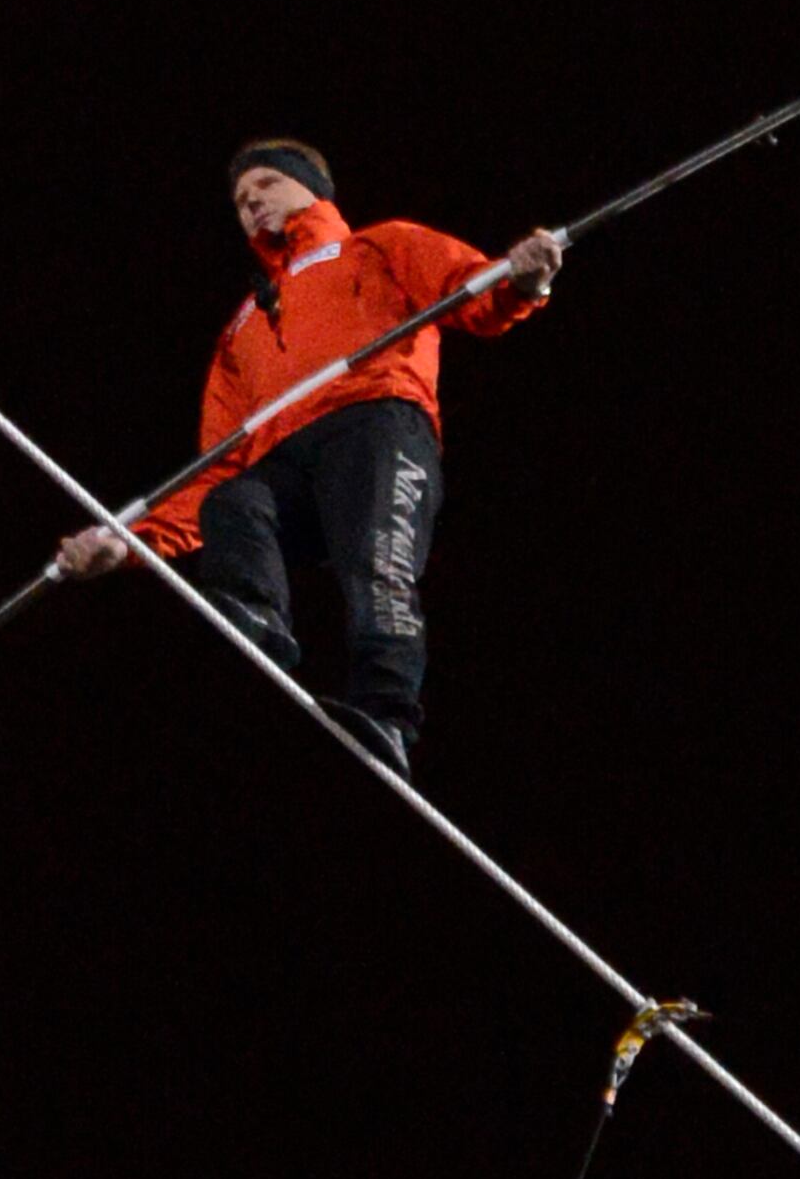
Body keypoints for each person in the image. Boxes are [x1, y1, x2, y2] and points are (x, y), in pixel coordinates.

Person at [57, 139, 567, 774]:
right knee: (232, 501)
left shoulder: (377, 246)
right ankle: (255, 612)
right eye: (241, 201)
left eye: (266, 186)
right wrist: (128, 543)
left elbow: (471, 291)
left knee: (376, 566)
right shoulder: (242, 325)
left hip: (375, 424)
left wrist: (525, 278)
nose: (252, 206)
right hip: (287, 456)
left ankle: (387, 715)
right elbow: (215, 464)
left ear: (310, 189)